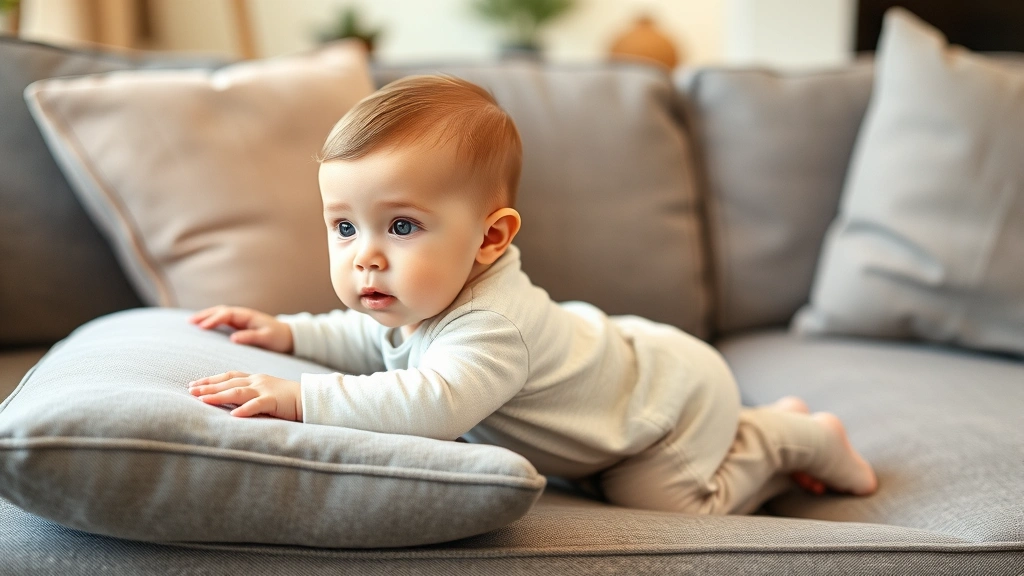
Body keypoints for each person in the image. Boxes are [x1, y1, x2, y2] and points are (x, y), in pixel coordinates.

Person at [187, 75, 877, 514]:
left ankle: (792, 438)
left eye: (401, 225)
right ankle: (763, 427)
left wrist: (298, 398)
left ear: (489, 240)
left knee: (661, 503)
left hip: (665, 409)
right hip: (629, 365)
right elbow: (368, 339)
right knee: (612, 486)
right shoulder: (419, 299)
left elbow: (427, 405)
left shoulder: (490, 325)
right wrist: (287, 333)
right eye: (343, 226)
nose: (364, 254)